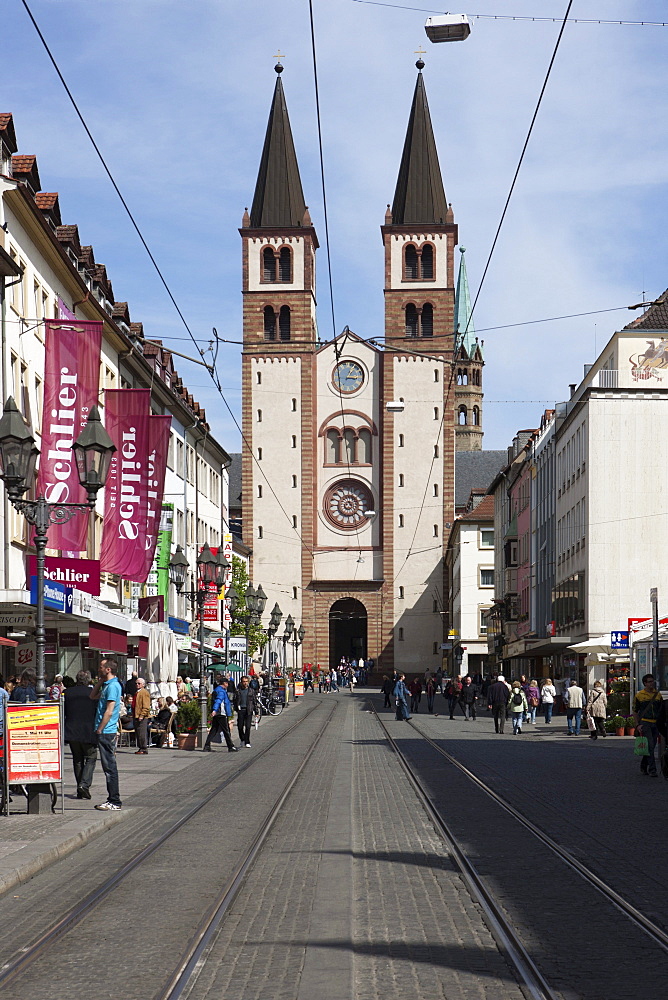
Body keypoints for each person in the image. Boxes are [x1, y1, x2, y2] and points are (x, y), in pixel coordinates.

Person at [90, 658, 123, 810]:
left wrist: (100, 729)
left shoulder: (113, 687)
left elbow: (109, 711)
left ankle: (114, 801)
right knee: (108, 767)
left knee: (109, 767)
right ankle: (113, 800)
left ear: (108, 669)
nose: (99, 669)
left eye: (101, 667)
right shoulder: (108, 685)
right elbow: (92, 696)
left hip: (106, 731)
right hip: (105, 730)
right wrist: (100, 681)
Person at [63, 669, 97, 799]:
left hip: (72, 731)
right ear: (88, 680)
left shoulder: (67, 693)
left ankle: (80, 788)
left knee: (77, 759)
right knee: (91, 757)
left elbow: (63, 711)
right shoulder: (93, 693)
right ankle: (84, 785)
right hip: (88, 730)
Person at [633, 673, 665, 777]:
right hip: (645, 723)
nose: (652, 683)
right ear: (645, 683)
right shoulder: (639, 695)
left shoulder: (658, 695)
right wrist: (637, 724)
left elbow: (661, 710)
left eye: (653, 681)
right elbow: (635, 711)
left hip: (655, 723)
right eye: (650, 682)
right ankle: (652, 769)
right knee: (650, 746)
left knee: (651, 746)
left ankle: (643, 765)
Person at [203, 677, 237, 752]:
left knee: (214, 730)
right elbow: (218, 701)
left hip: (218, 713)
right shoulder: (221, 691)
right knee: (226, 730)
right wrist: (215, 710)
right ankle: (230, 746)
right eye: (227, 683)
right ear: (224, 684)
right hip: (221, 713)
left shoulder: (217, 689)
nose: (228, 685)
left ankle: (207, 745)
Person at [234, 675, 258, 748]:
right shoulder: (238, 691)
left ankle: (247, 741)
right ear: (241, 682)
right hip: (241, 710)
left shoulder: (251, 690)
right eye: (243, 682)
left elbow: (254, 701)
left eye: (246, 682)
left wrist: (256, 712)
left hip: (249, 710)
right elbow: (235, 700)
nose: (245, 683)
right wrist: (236, 709)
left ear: (248, 682)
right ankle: (242, 739)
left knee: (248, 727)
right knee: (240, 726)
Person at [132, 677, 151, 755]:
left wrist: (142, 715)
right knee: (138, 732)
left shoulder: (144, 692)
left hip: (141, 716)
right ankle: (141, 747)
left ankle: (143, 748)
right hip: (135, 715)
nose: (137, 685)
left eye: (139, 683)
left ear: (143, 684)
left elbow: (146, 706)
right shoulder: (137, 692)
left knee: (141, 733)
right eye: (136, 683)